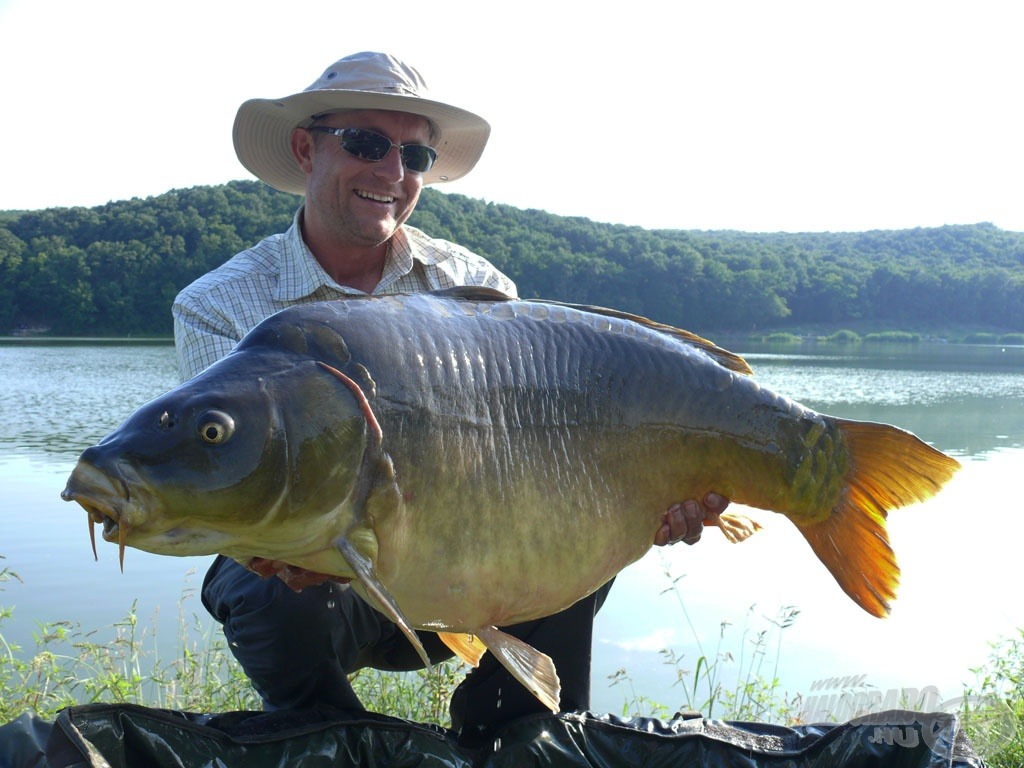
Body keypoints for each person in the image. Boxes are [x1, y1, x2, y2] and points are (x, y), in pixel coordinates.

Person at [172, 51, 730, 748]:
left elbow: (543, 454)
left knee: (577, 527)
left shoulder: (475, 285)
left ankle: (518, 738)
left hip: (474, 561)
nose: (392, 172)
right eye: (367, 144)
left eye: (414, 154)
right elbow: (225, 477)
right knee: (255, 587)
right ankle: (334, 744)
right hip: (320, 583)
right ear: (304, 147)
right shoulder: (219, 305)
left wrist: (647, 499)